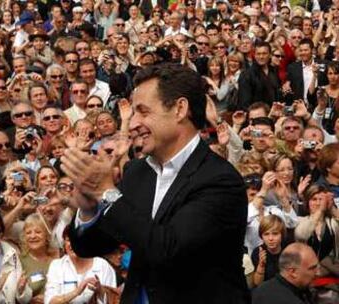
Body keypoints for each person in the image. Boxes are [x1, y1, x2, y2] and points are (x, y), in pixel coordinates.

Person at [62, 63, 250, 303]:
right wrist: (88, 208)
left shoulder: (220, 180)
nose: (132, 124)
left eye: (143, 111)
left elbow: (168, 250)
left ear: (180, 109)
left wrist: (107, 193)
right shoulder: (138, 172)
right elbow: (92, 246)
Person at [45, 228, 117, 304]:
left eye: (76, 240)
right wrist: (76, 292)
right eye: (69, 240)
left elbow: (114, 300)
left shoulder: (102, 265)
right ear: (64, 244)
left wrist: (100, 290)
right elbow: (50, 301)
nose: (72, 244)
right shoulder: (56, 266)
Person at [252, 242, 318, 304]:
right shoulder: (293, 301)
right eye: (312, 268)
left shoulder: (260, 289)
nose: (317, 272)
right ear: (293, 272)